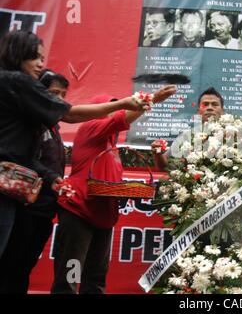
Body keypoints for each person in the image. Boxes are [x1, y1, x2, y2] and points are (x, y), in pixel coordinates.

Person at [0, 30, 150, 261]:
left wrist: (51, 178)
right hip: (71, 206)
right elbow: (71, 114)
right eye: (36, 57)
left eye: (43, 58)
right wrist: (130, 103)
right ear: (19, 54)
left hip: (28, 191)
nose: (41, 64)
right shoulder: (18, 82)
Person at [51, 85, 176, 294]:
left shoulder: (112, 147)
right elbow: (121, 119)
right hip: (79, 210)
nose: (115, 114)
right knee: (71, 274)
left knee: (96, 276)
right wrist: (153, 98)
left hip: (103, 216)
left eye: (115, 110)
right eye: (109, 109)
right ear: (95, 110)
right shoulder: (90, 127)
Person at [0, 69, 70, 293]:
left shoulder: (53, 126)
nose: (58, 99)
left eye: (63, 94)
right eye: (53, 92)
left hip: (45, 208)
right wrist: (51, 177)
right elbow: (25, 158)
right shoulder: (30, 123)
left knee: (25, 266)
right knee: (10, 266)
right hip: (24, 205)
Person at [151, 87, 224, 171]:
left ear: (222, 110)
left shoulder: (234, 135)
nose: (210, 108)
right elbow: (165, 167)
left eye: (215, 104)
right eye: (205, 104)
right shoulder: (186, 136)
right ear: (198, 111)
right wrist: (158, 153)